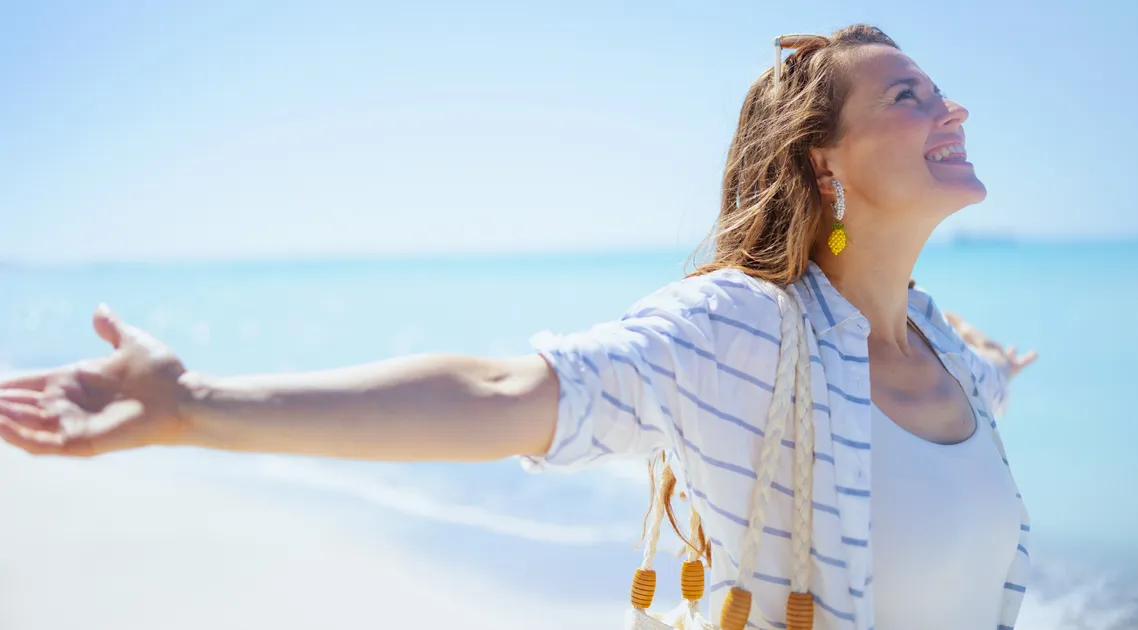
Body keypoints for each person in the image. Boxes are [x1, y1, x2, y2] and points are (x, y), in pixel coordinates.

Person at [0, 24, 1038, 630]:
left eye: (944, 93)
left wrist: (994, 363)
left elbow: (950, 401)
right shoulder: (749, 334)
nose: (953, 112)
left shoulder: (945, 350)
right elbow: (509, 394)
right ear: (826, 163)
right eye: (911, 96)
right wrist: (193, 407)